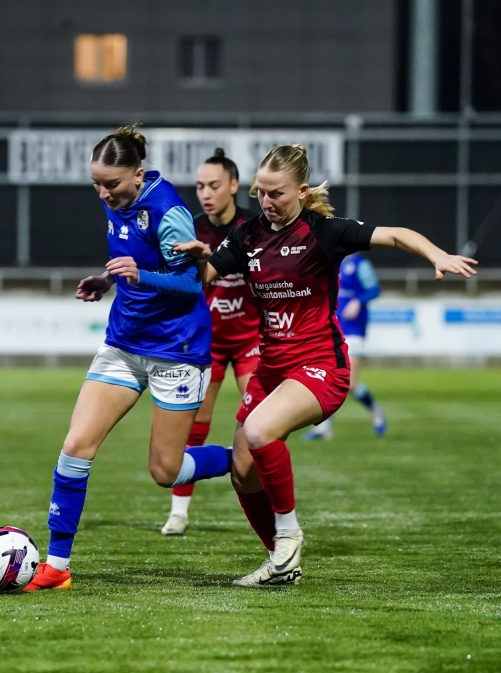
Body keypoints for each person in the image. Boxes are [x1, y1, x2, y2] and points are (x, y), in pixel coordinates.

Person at [175, 144, 477, 587]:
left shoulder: (324, 232)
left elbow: (395, 235)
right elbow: (205, 276)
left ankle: (289, 536)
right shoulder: (248, 235)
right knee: (242, 472)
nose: (267, 202)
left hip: (320, 366)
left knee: (259, 432)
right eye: (261, 193)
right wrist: (191, 258)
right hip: (271, 368)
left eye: (276, 193)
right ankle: (281, 563)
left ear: (301, 190)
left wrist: (436, 254)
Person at [24, 126, 233, 591]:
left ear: (138, 174)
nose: (103, 193)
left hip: (177, 350)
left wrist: (140, 275)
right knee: (76, 447)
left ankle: (243, 459)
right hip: (123, 343)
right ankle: (56, 566)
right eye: (96, 184)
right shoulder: (115, 200)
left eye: (112, 184)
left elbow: (192, 283)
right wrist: (108, 280)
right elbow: (131, 260)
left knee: (166, 471)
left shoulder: (169, 212)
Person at [161, 148, 258, 536]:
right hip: (207, 342)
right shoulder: (192, 230)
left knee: (258, 425)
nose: (205, 193)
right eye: (200, 186)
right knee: (195, 425)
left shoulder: (255, 227)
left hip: (252, 340)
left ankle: (269, 511)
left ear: (234, 185)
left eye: (214, 185)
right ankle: (178, 512)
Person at [304, 252, 387, 440]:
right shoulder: (329, 260)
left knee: (349, 383)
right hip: (331, 329)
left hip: (354, 330)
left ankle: (376, 412)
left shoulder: (359, 263)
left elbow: (374, 289)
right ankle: (323, 428)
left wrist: (358, 301)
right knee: (324, 379)